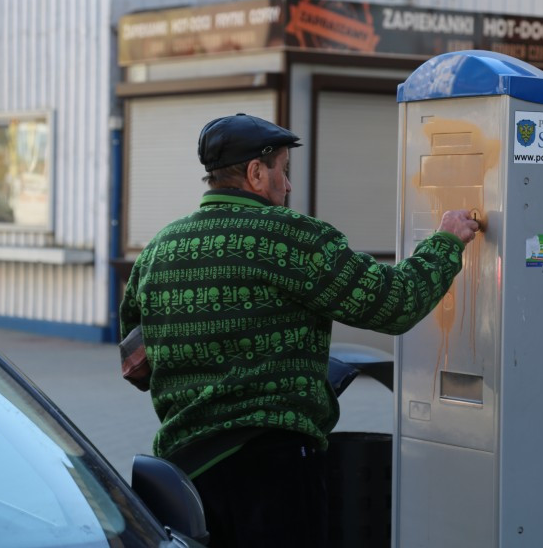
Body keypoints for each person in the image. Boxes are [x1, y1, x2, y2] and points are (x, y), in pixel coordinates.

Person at [119, 113, 478, 547]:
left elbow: (135, 364)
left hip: (185, 473)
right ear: (256, 172)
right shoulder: (291, 239)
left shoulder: (159, 249)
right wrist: (446, 243)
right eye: (283, 171)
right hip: (273, 472)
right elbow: (394, 303)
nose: (287, 186)